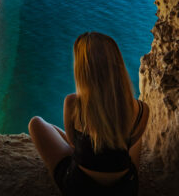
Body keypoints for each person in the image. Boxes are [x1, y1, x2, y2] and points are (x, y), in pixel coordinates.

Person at [28, 32, 149, 196]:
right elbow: (130, 148)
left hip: (81, 186)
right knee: (132, 137)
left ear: (83, 69)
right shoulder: (142, 109)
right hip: (125, 188)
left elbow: (72, 143)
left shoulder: (73, 103)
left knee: (36, 123)